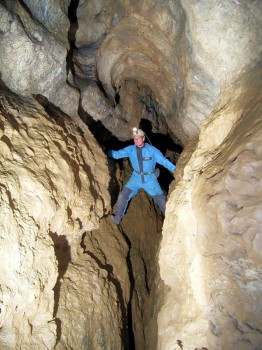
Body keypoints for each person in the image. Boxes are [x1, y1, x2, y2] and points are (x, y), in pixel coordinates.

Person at [107, 128, 176, 224]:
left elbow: (164, 161)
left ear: (143, 138)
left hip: (150, 178)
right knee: (123, 195)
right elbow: (118, 154)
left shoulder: (152, 150)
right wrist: (107, 151)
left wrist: (176, 170)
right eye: (134, 138)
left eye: (138, 138)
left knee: (161, 200)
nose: (136, 140)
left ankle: (171, 221)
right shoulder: (130, 149)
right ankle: (117, 218)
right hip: (136, 177)